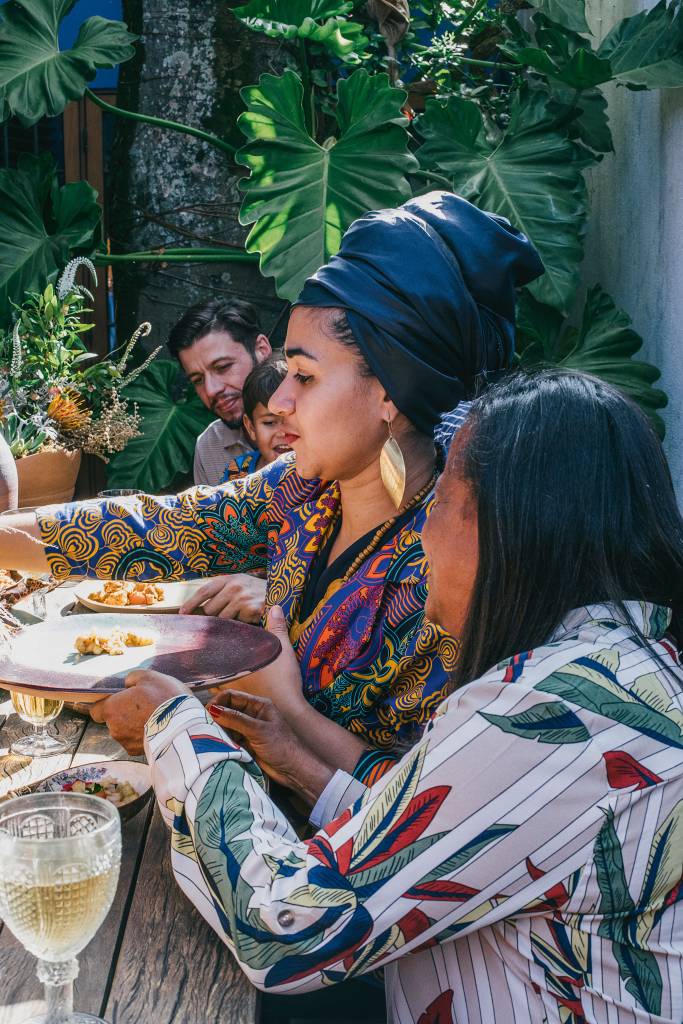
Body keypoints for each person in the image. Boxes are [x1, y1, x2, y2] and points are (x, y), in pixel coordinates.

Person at [94, 370, 683, 1024]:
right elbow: (457, 834)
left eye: (437, 504)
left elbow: (289, 931)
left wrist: (174, 728)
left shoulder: (558, 706)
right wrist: (298, 764)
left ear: (508, 523)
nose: (420, 538)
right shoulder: (619, 666)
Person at [0, 192, 543, 783]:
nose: (279, 402)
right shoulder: (307, 490)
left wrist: (282, 704)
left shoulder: (454, 550)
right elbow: (161, 526)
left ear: (391, 389)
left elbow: (431, 800)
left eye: (304, 377)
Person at [167, 297, 272, 485]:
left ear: (261, 350)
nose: (211, 390)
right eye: (197, 380)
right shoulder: (210, 447)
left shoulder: (316, 425)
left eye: (223, 367)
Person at [221, 354, 290, 481]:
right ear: (251, 427)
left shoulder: (320, 475)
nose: (282, 432)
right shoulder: (237, 471)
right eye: (269, 422)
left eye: (293, 420)